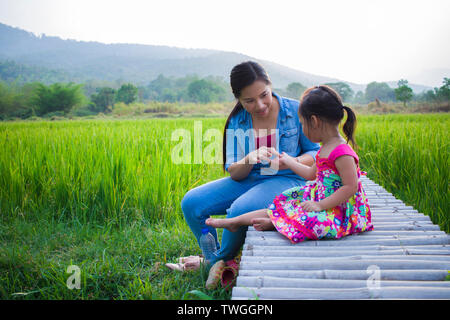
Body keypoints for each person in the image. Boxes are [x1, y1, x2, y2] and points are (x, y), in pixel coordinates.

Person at [177, 61, 320, 278]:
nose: (261, 105)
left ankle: (218, 261)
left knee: (239, 210)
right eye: (249, 101)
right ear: (239, 100)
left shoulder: (295, 110)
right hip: (251, 178)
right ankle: (213, 253)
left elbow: (315, 152)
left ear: (270, 85)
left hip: (289, 179)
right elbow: (235, 172)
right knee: (192, 203)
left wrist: (292, 160)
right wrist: (249, 159)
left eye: (264, 95)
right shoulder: (238, 120)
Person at [206, 85, 374, 247]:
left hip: (342, 211)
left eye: (302, 123)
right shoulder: (324, 148)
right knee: (286, 202)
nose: (302, 128)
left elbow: (350, 187)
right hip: (322, 198)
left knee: (312, 220)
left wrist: (320, 205)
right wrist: (289, 161)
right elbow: (310, 174)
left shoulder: (342, 152)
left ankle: (273, 223)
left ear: (314, 121)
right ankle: (234, 222)